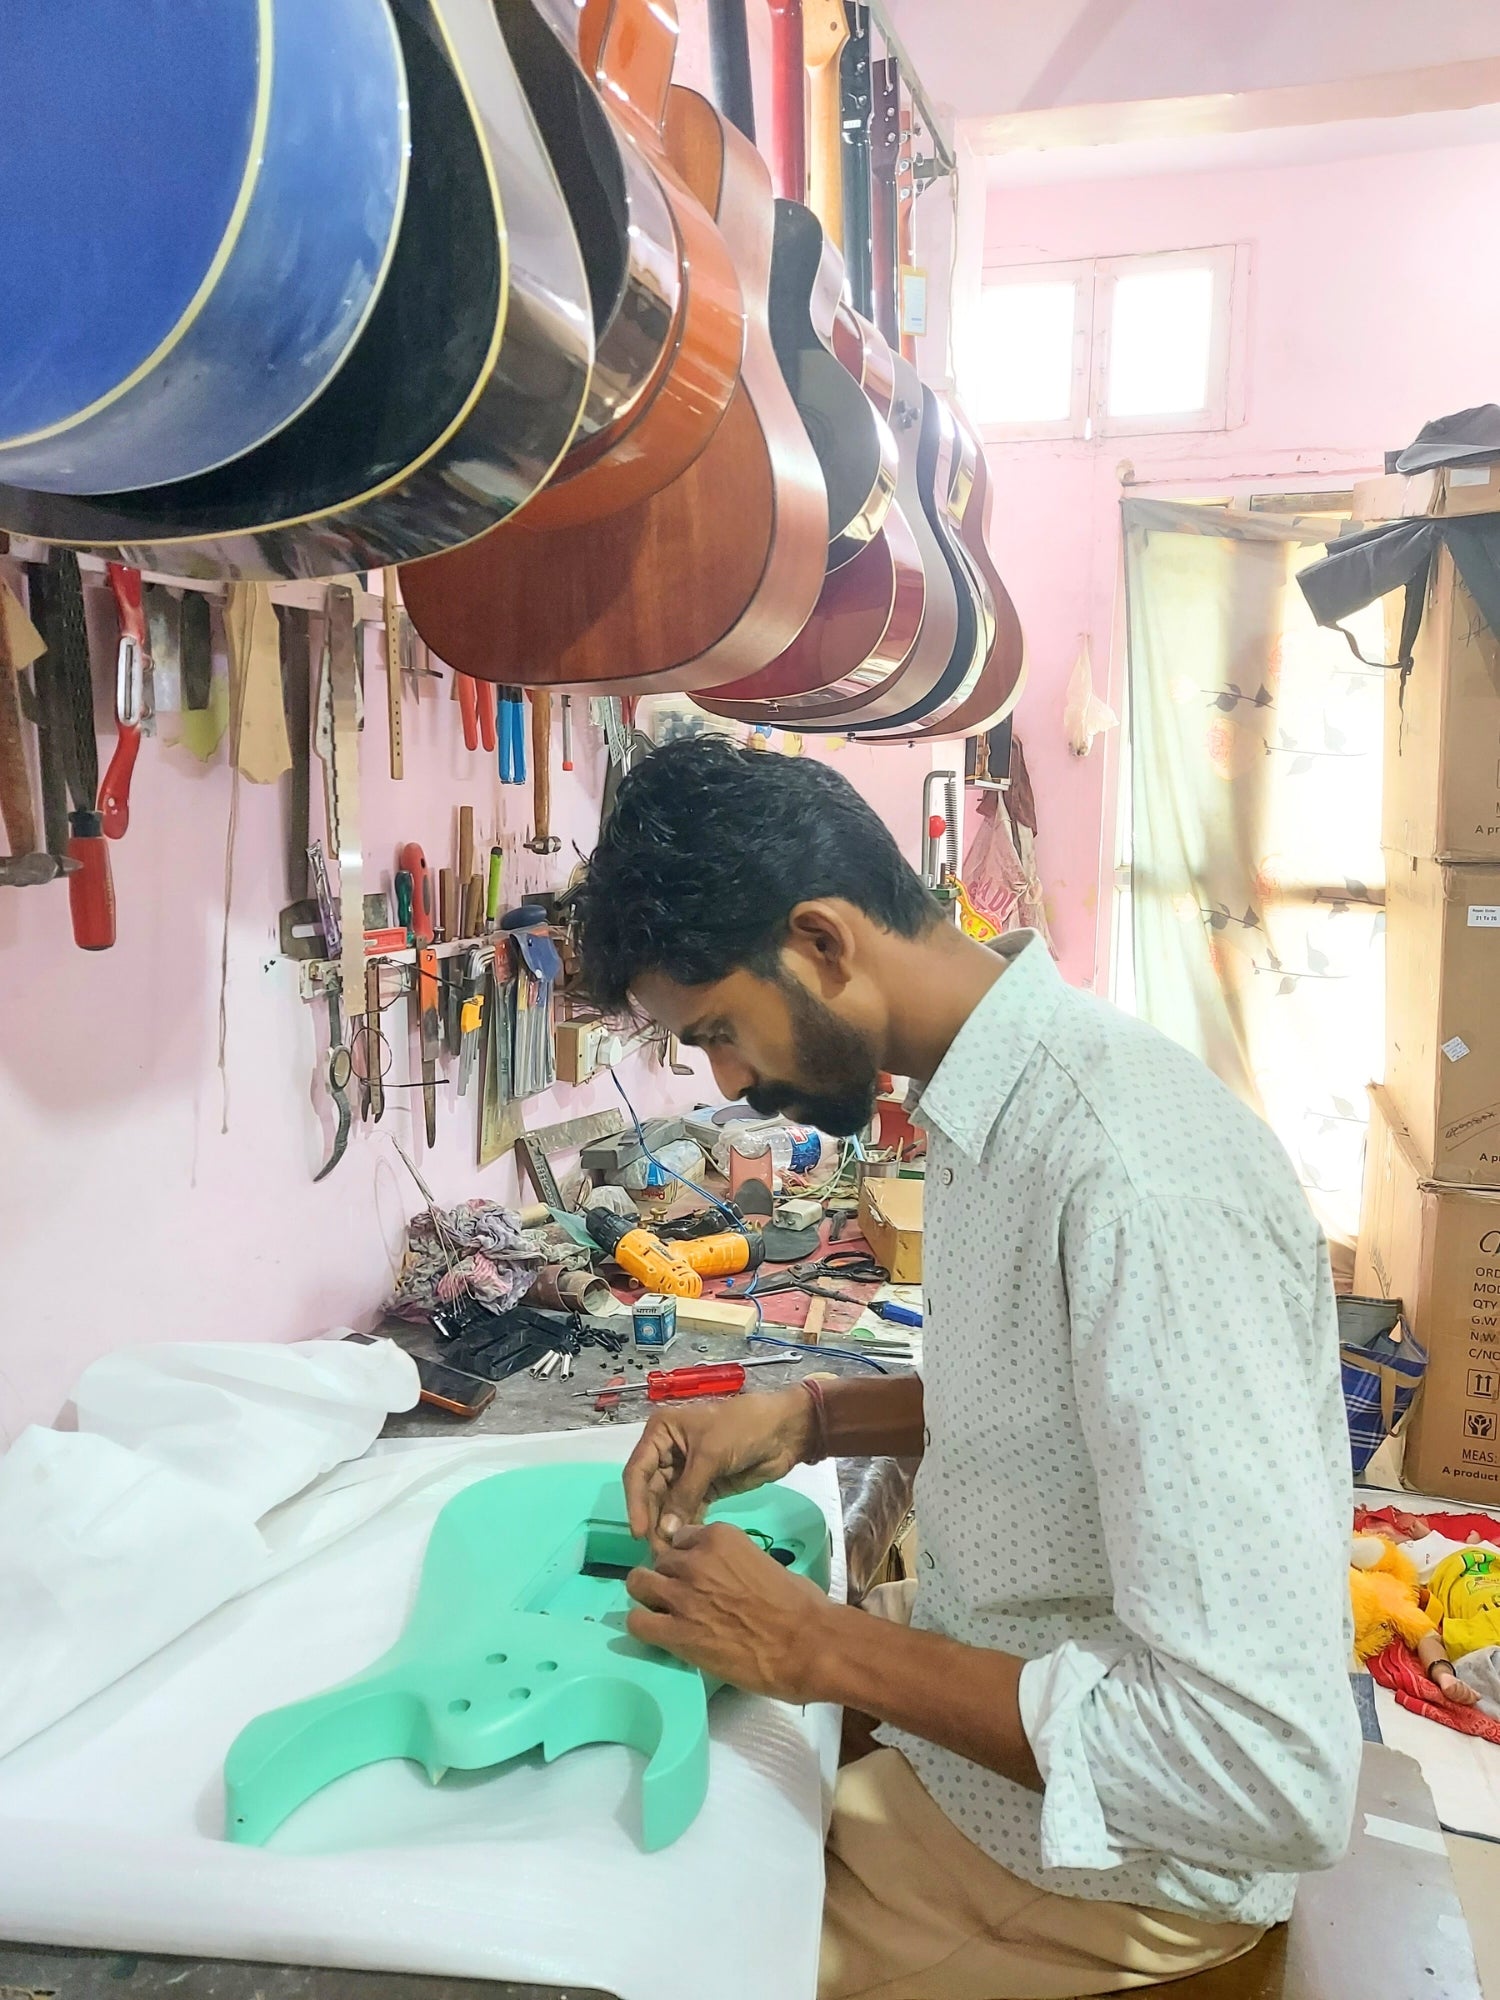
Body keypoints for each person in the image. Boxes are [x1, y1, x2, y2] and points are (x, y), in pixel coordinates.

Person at [572, 736, 1360, 2000]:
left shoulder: (1132, 1175)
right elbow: (1061, 1394)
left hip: (1106, 1871)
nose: (728, 1081)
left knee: (623, 1951)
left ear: (823, 941)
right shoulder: (992, 1097)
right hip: (1000, 1670)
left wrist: (816, 1645)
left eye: (718, 1029)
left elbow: (1262, 1769)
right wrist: (812, 1418)